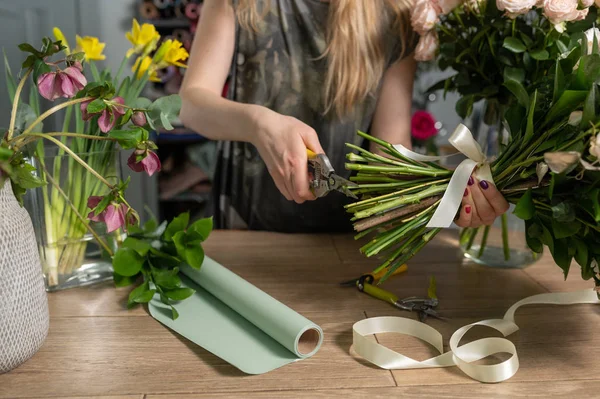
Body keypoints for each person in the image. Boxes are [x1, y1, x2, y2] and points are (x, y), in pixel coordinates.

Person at [179, 0, 508, 233]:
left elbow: (388, 157)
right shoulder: (241, 4)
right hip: (245, 234)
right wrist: (258, 124)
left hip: (345, 245)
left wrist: (448, 196)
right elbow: (190, 105)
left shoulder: (394, 17)